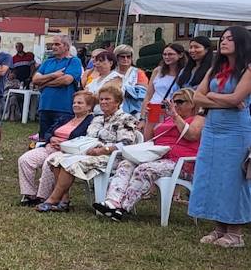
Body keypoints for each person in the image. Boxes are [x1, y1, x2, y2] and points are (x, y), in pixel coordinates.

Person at [95, 89, 204, 221]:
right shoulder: (168, 119)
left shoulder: (198, 118)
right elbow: (149, 139)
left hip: (181, 163)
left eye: (180, 102)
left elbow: (192, 135)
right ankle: (112, 202)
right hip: (159, 156)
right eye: (173, 102)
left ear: (192, 103)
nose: (175, 105)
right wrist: (150, 119)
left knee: (144, 169)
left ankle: (122, 209)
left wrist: (175, 116)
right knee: (126, 163)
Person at [188, 27, 251, 247]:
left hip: (236, 130)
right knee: (211, 175)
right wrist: (219, 98)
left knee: (232, 179)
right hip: (213, 128)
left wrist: (212, 96)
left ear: (241, 42)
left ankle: (235, 232)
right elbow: (196, 97)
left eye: (230, 39)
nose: (223, 42)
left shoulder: (247, 69)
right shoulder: (216, 68)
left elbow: (237, 99)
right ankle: (219, 228)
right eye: (222, 38)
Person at [37, 84, 141, 212]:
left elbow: (126, 144)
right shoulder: (97, 119)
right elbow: (86, 138)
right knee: (56, 159)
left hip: (111, 157)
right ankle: (64, 200)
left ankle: (52, 199)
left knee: (69, 164)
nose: (103, 102)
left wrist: (103, 150)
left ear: (118, 102)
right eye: (101, 99)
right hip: (88, 153)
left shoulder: (126, 119)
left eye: (107, 99)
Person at [17, 91, 96, 206]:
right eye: (74, 102)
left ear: (89, 106)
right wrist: (52, 138)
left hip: (66, 152)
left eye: (80, 103)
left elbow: (85, 140)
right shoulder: (66, 118)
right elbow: (48, 131)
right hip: (50, 147)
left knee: (49, 163)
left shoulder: (91, 122)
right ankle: (29, 194)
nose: (75, 105)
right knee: (25, 159)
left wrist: (65, 143)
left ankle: (43, 197)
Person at [31, 34, 83, 141]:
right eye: (52, 44)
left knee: (59, 139)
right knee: (43, 139)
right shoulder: (47, 62)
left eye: (57, 44)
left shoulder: (74, 61)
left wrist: (44, 83)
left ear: (66, 46)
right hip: (44, 106)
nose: (53, 47)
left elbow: (66, 80)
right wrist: (53, 75)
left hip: (63, 108)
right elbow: (35, 80)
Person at [143, 42, 187, 139]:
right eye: (165, 54)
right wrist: (142, 116)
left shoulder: (184, 73)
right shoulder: (158, 70)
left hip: (171, 110)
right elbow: (148, 95)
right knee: (148, 139)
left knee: (165, 138)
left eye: (170, 54)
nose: (167, 57)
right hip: (154, 107)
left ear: (180, 55)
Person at [114, 44, 149, 115]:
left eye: (128, 57)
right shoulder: (112, 72)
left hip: (135, 109)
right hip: (115, 108)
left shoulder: (138, 72)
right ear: (117, 58)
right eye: (122, 57)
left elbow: (144, 92)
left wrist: (126, 90)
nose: (126, 59)